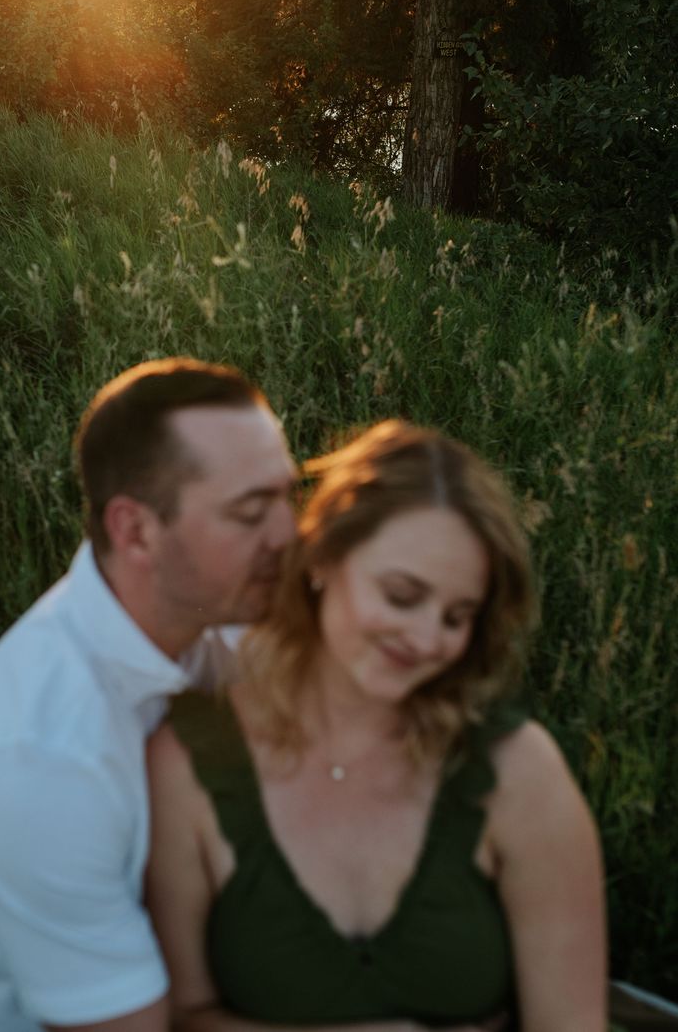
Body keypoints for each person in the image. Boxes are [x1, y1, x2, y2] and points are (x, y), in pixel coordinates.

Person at [146, 421, 607, 1032]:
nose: (427, 639)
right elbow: (183, 1016)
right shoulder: (188, 763)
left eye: (457, 616)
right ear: (322, 558)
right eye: (401, 595)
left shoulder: (518, 771)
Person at [0, 358, 298, 1032]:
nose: (289, 533)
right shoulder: (38, 761)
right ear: (136, 531)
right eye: (249, 511)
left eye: (290, 495)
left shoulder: (219, 610)